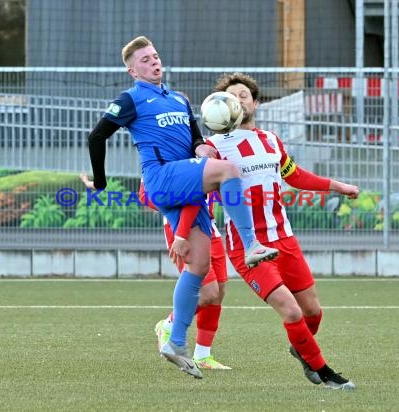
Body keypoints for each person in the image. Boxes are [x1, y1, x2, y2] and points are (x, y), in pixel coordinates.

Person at [82, 37, 278, 379]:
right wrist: (100, 182)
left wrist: (201, 147)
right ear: (132, 70)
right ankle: (251, 245)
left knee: (200, 268)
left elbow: (194, 139)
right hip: (161, 177)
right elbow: (96, 137)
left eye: (155, 56)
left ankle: (174, 341)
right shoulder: (130, 99)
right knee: (229, 171)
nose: (153, 63)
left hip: (184, 178)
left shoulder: (179, 99)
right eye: (145, 60)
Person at [195, 72, 359, 390]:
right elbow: (201, 189)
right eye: (231, 96)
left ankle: (302, 350)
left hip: (284, 238)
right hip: (248, 247)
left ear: (255, 103)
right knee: (291, 310)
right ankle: (325, 373)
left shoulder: (270, 140)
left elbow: (294, 174)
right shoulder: (213, 147)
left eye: (244, 95)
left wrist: (337, 186)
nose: (238, 99)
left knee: (312, 312)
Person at [139, 182, 231, 370]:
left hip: (209, 226)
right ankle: (168, 325)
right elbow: (144, 196)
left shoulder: (211, 152)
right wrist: (176, 205)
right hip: (181, 227)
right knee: (207, 292)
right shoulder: (163, 154)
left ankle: (203, 355)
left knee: (219, 291)